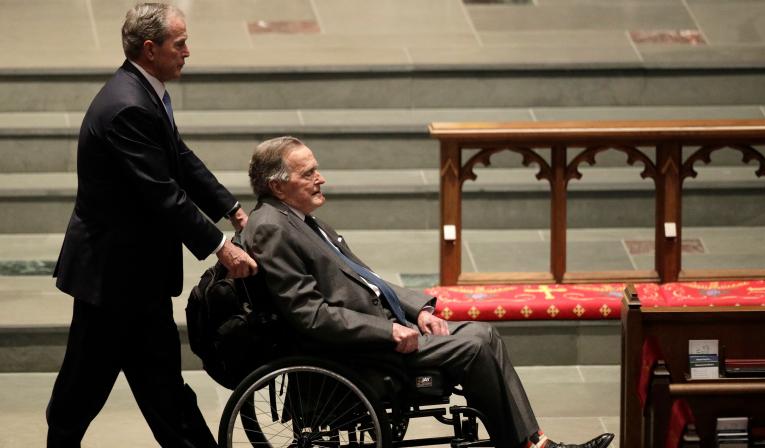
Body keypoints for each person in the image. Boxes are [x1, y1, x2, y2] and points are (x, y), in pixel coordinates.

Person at [241, 136, 614, 448]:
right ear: (277, 185)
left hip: (379, 330)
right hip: (356, 350)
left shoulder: (300, 219)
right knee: (472, 346)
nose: (321, 178)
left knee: (484, 333)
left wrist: (418, 310)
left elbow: (369, 280)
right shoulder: (272, 228)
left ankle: (532, 442)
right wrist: (388, 330)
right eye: (309, 173)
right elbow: (311, 315)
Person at [47, 3, 258, 447]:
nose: (187, 52)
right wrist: (222, 246)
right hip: (110, 280)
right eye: (179, 44)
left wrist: (232, 208)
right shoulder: (126, 107)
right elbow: (163, 195)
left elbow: (180, 158)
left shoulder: (144, 92)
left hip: (137, 278)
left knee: (161, 388)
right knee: (81, 394)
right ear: (150, 48)